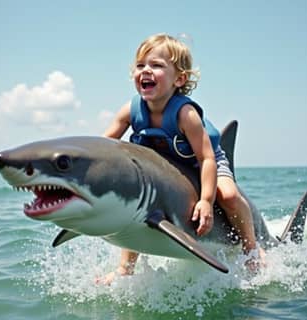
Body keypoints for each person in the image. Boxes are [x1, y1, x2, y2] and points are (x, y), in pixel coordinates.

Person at [101, 33, 265, 284]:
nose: (146, 70)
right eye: (141, 65)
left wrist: (207, 201)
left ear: (180, 79)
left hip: (204, 162)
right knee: (140, 205)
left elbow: (207, 158)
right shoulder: (131, 109)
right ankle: (125, 267)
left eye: (156, 65)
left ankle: (252, 248)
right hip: (168, 165)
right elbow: (105, 146)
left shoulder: (185, 114)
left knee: (229, 195)